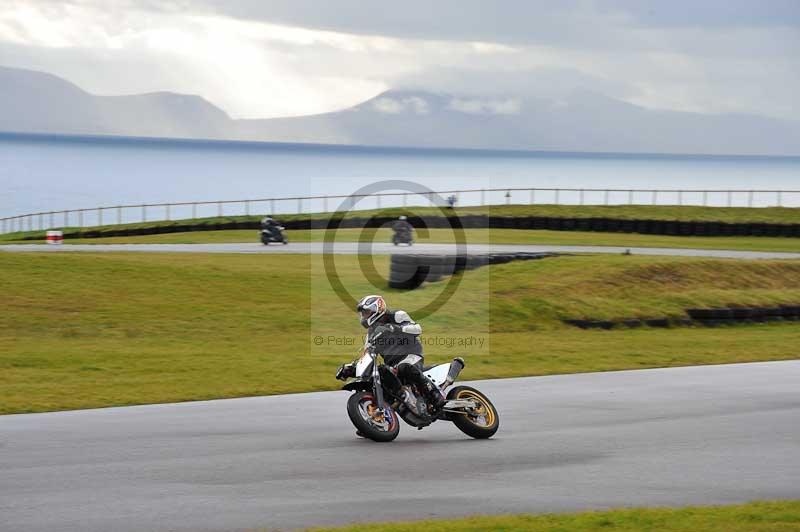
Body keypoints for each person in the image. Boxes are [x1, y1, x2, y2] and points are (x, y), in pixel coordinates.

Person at [338, 295, 445, 414]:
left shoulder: (396, 315)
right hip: (393, 364)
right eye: (363, 313)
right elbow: (367, 355)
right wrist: (351, 368)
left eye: (366, 312)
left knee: (404, 367)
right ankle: (375, 421)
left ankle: (435, 394)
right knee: (383, 375)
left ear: (377, 308)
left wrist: (395, 328)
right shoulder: (371, 334)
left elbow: (417, 329)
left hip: (410, 354)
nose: (364, 316)